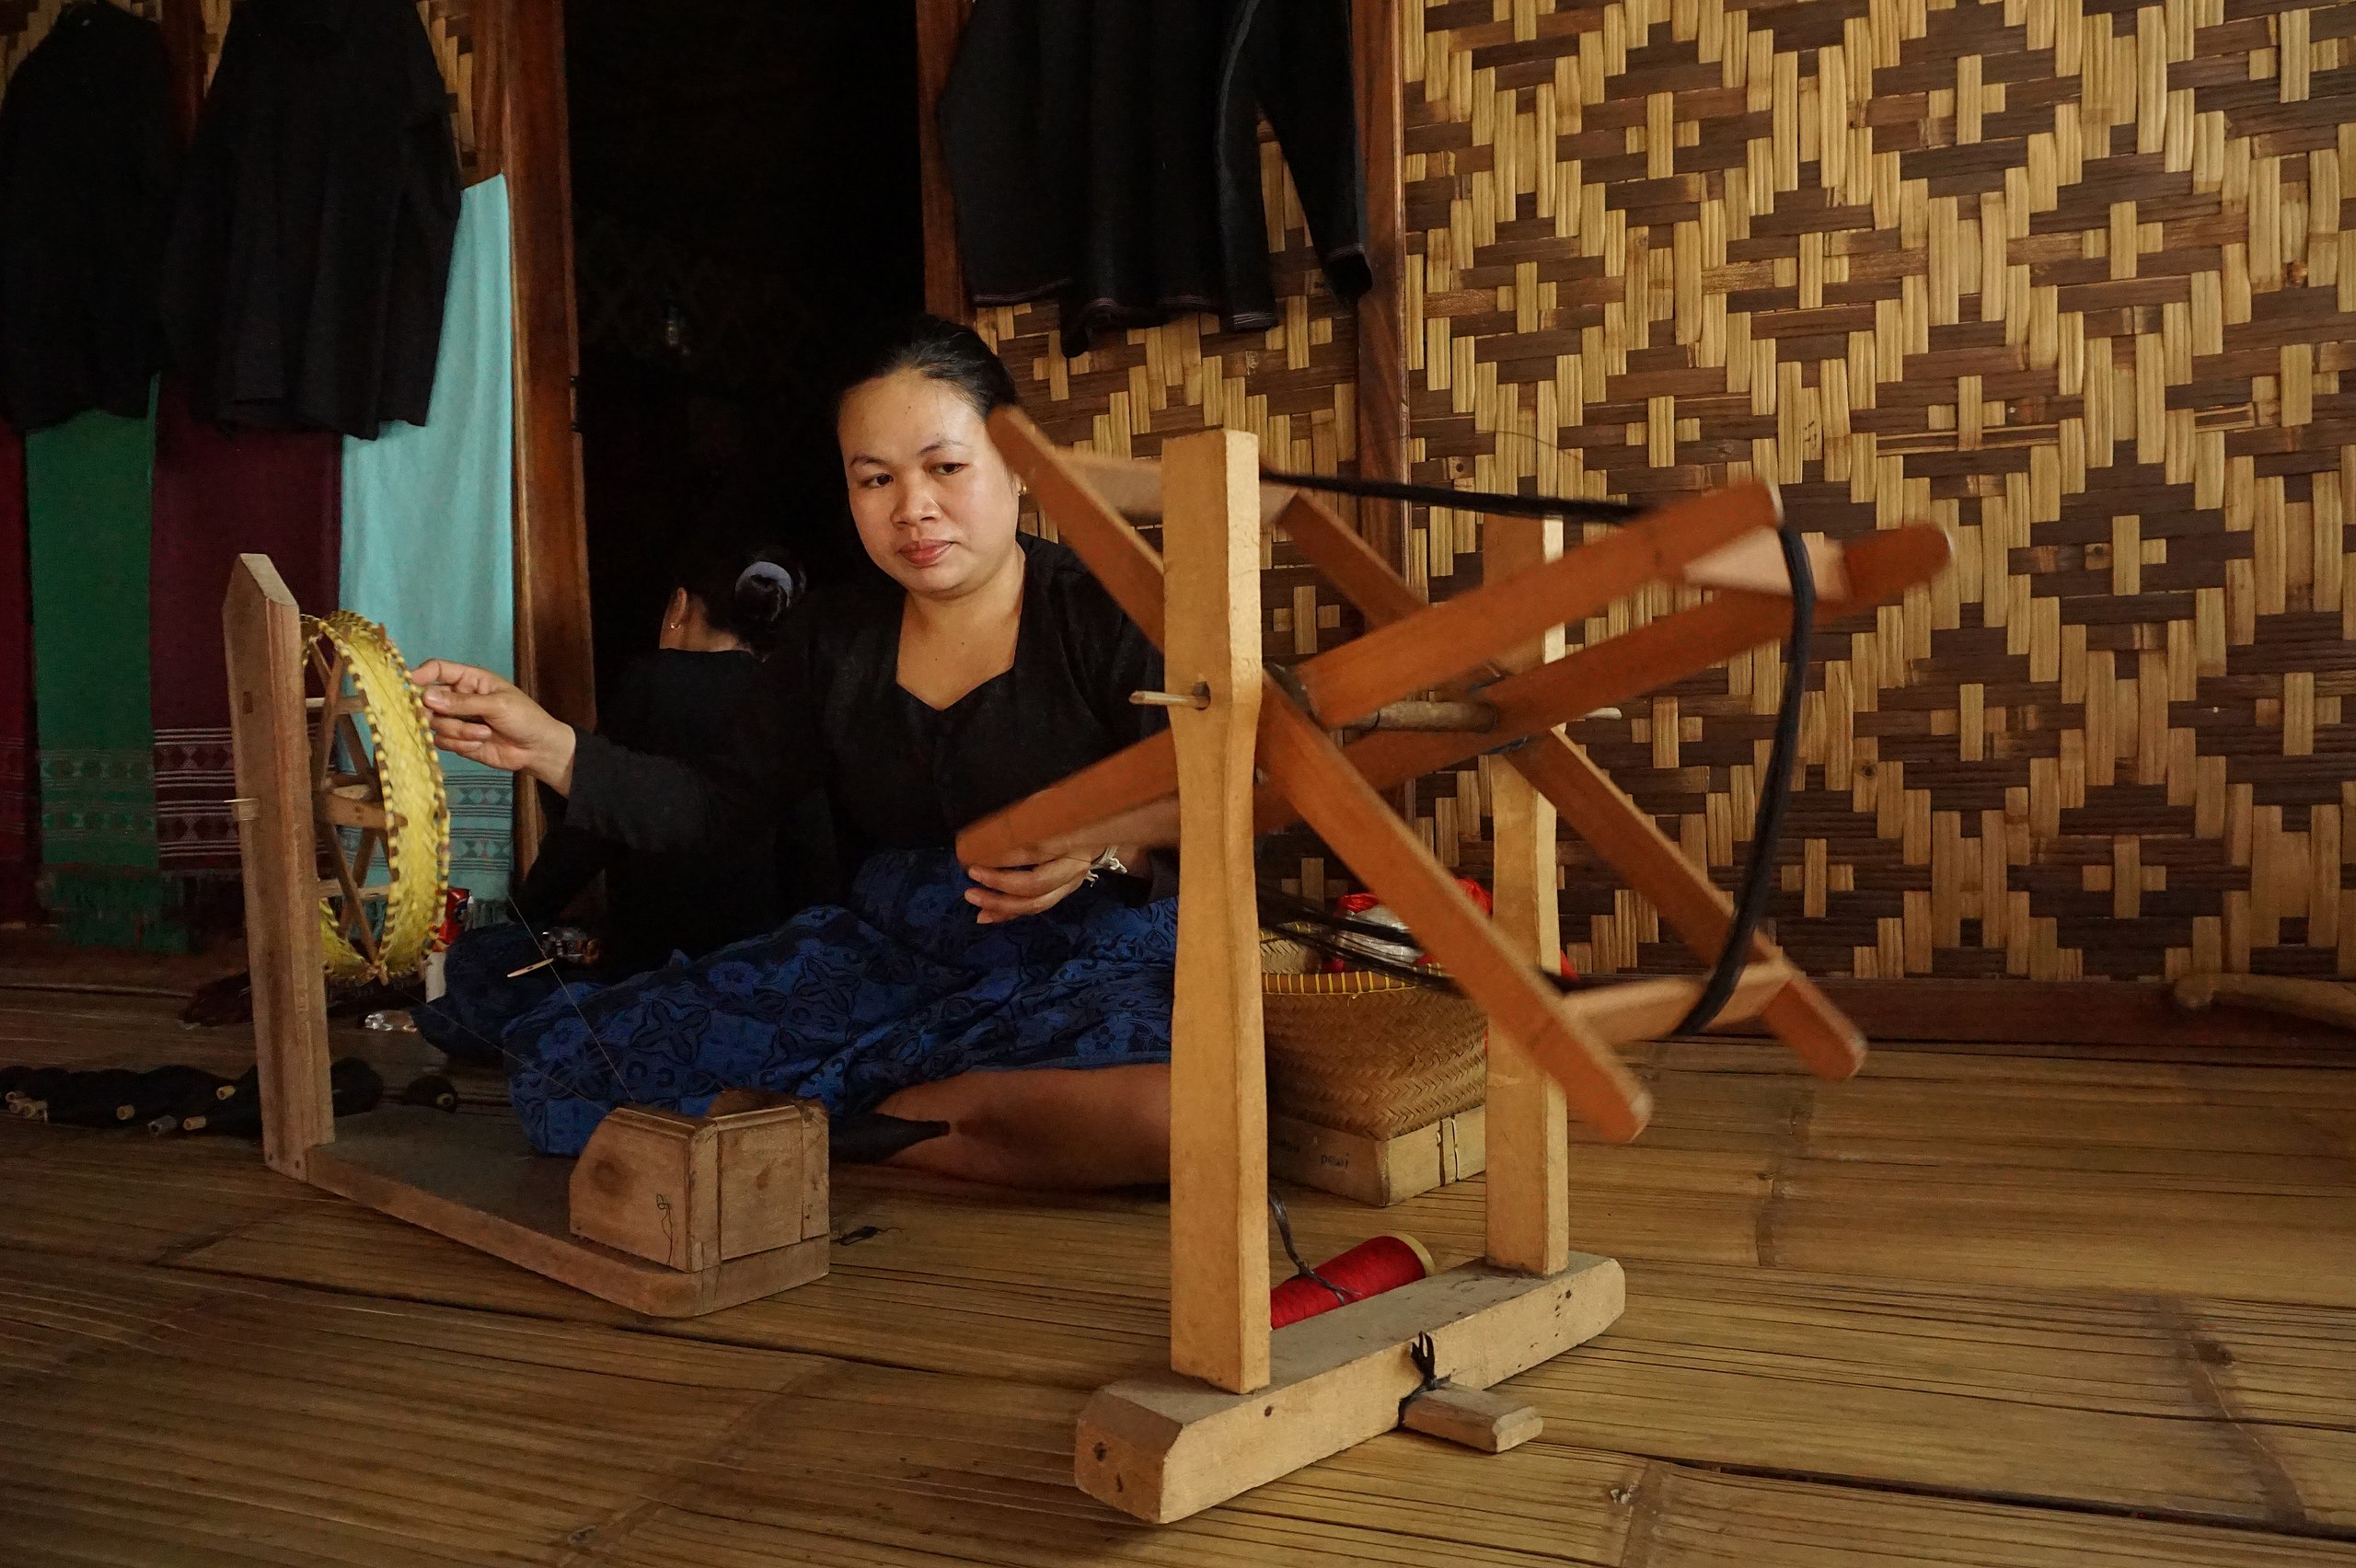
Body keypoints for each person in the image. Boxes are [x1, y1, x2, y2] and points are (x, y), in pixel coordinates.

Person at [410, 315, 1179, 1189]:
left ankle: (828, 1120)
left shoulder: (1107, 612)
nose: (912, 507)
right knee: (569, 1060)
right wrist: (553, 746)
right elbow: (716, 807)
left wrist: (1102, 845)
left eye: (945, 468)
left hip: (1086, 952)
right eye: (874, 478)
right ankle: (906, 1120)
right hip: (889, 957)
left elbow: (1222, 799)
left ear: (1017, 464)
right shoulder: (833, 640)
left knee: (1167, 1115)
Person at [502, 532, 825, 980]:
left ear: (678, 606)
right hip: (766, 958)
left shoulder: (655, 679)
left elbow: (594, 825)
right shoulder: (793, 698)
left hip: (656, 957)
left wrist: (524, 912)